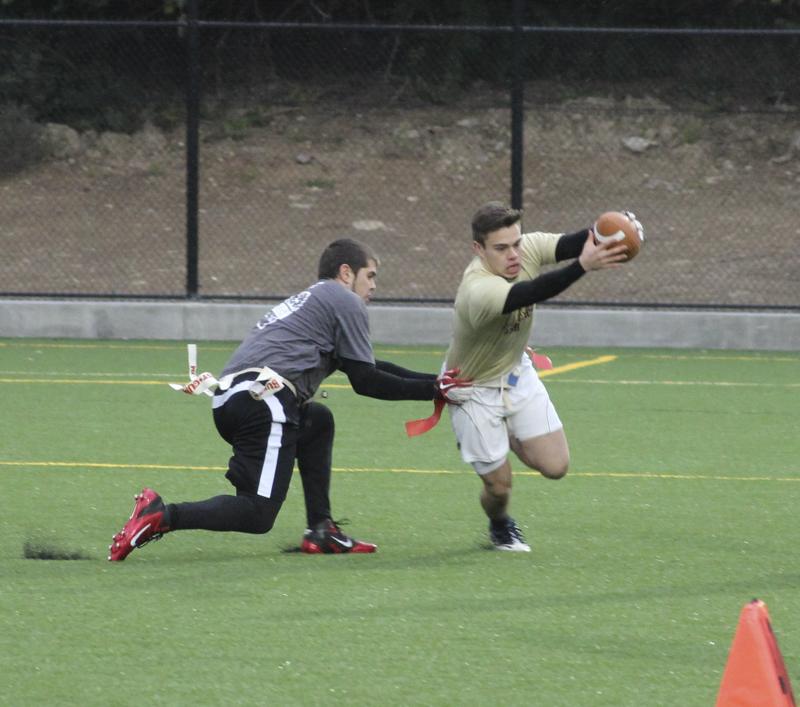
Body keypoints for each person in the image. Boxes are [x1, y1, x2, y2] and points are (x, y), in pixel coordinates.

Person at [108, 238, 466, 561]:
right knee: (257, 514)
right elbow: (366, 380)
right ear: (346, 273)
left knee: (317, 422)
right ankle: (161, 514)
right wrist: (433, 391)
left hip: (237, 399)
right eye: (370, 275)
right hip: (264, 399)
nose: (373, 286)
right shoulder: (344, 300)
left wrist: (436, 383)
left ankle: (321, 530)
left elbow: (369, 366)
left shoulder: (317, 301)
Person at [443, 202, 643, 552]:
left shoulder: (526, 248)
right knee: (499, 488)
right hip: (471, 389)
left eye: (516, 243)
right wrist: (582, 266)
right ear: (479, 249)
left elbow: (574, 242)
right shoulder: (477, 288)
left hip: (515, 373)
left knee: (556, 465)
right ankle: (500, 524)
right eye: (501, 248)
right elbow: (530, 293)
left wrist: (615, 231)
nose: (513, 254)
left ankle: (505, 432)